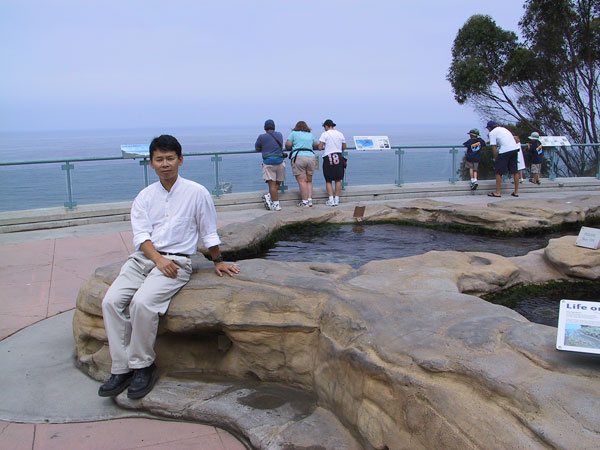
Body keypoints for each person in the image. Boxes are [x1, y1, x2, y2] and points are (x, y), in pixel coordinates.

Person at [98, 135, 240, 400]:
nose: (165, 164)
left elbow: (209, 232)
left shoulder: (197, 193)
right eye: (159, 159)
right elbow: (141, 236)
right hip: (144, 259)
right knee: (110, 301)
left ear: (180, 160)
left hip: (178, 261)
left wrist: (218, 261)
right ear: (151, 163)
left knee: (141, 303)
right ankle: (120, 368)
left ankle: (142, 366)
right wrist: (157, 260)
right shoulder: (144, 196)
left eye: (170, 158)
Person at [285, 121, 318, 207]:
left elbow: (288, 144)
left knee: (302, 181)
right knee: (309, 180)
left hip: (299, 157)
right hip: (311, 157)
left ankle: (304, 201)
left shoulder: (294, 133)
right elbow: (316, 145)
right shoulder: (310, 134)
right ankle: (310, 200)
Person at [255, 119, 285, 211]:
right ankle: (269, 196)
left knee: (271, 184)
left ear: (265, 128)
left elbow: (257, 148)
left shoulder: (261, 137)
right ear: (274, 127)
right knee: (278, 182)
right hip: (280, 161)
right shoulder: (279, 135)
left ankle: (276, 204)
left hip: (268, 162)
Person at [486, 120, 521, 198]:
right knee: (515, 171)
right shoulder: (503, 129)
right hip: (514, 149)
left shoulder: (492, 133)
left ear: (489, 128)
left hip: (505, 151)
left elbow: (494, 147)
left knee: (498, 172)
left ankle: (498, 192)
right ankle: (516, 192)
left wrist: (496, 158)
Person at [318, 119, 346, 206]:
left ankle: (331, 199)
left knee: (328, 180)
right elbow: (344, 147)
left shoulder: (325, 134)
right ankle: (337, 198)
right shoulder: (340, 134)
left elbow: (319, 147)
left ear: (326, 126)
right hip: (338, 157)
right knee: (338, 179)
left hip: (328, 157)